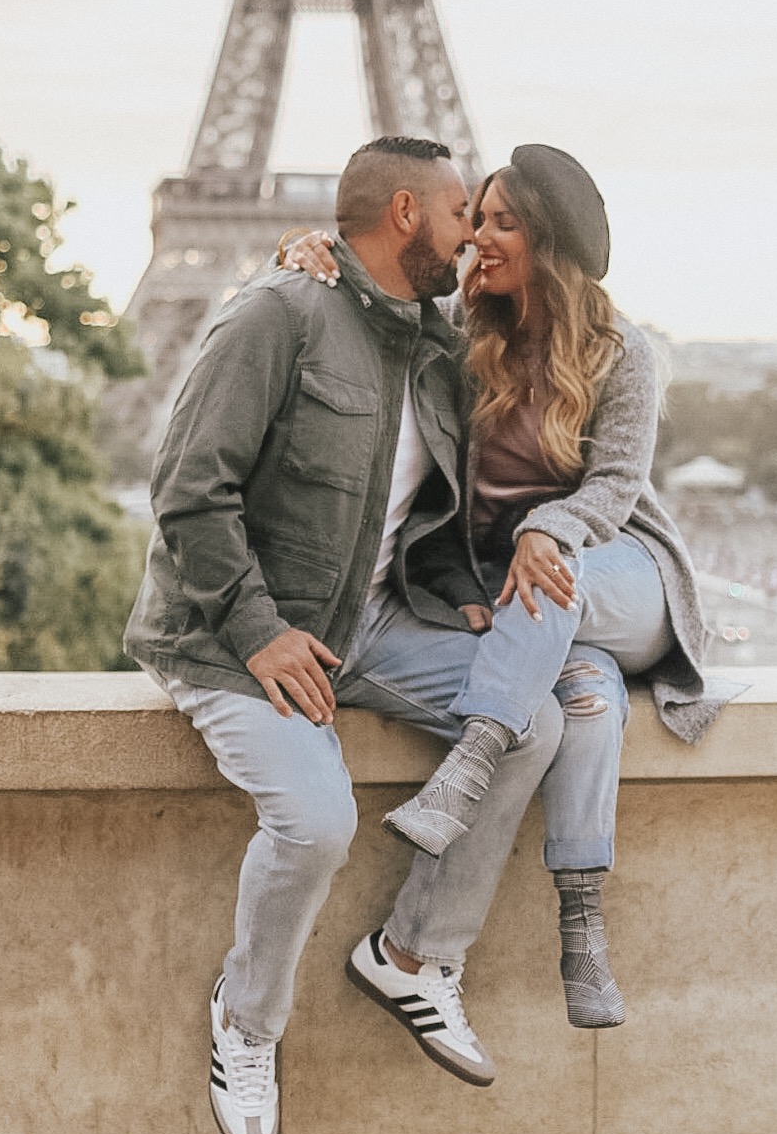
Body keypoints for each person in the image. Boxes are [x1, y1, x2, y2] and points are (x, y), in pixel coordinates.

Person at [124, 136, 567, 1134]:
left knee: (529, 716)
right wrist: (258, 631)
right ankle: (248, 1022)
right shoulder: (276, 314)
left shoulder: (431, 344)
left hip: (363, 626)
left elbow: (426, 511)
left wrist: (457, 594)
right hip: (236, 638)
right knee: (317, 822)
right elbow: (189, 492)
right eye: (462, 214)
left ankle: (413, 952)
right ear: (407, 213)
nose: (470, 239)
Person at [283, 143, 738, 1032]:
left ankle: (474, 757)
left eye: (501, 222)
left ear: (549, 242)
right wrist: (308, 255)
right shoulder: (459, 334)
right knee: (583, 697)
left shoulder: (621, 352)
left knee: (552, 587)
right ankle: (581, 924)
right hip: (528, 601)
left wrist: (544, 528)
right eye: (475, 216)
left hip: (624, 571)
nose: (478, 237)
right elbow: (369, 306)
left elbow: (610, 489)